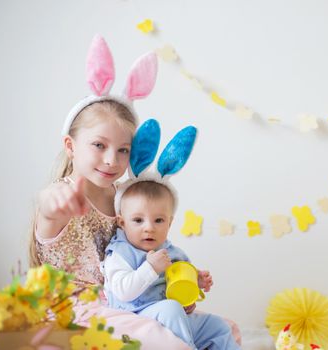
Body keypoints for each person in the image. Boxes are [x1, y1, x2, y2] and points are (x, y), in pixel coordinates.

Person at [30, 35, 241, 348]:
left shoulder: (123, 196)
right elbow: (47, 209)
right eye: (99, 145)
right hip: (78, 311)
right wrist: (51, 203)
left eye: (123, 150)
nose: (111, 159)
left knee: (225, 329)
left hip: (127, 299)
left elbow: (145, 251)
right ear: (71, 146)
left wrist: (177, 286)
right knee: (164, 338)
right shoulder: (61, 196)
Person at [104, 179, 240, 350]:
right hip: (135, 317)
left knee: (217, 326)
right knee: (171, 309)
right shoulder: (120, 253)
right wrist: (150, 268)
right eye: (138, 220)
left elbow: (178, 282)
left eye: (158, 220)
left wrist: (194, 283)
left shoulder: (172, 252)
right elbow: (123, 292)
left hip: (172, 317)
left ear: (170, 222)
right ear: (122, 222)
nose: (149, 228)